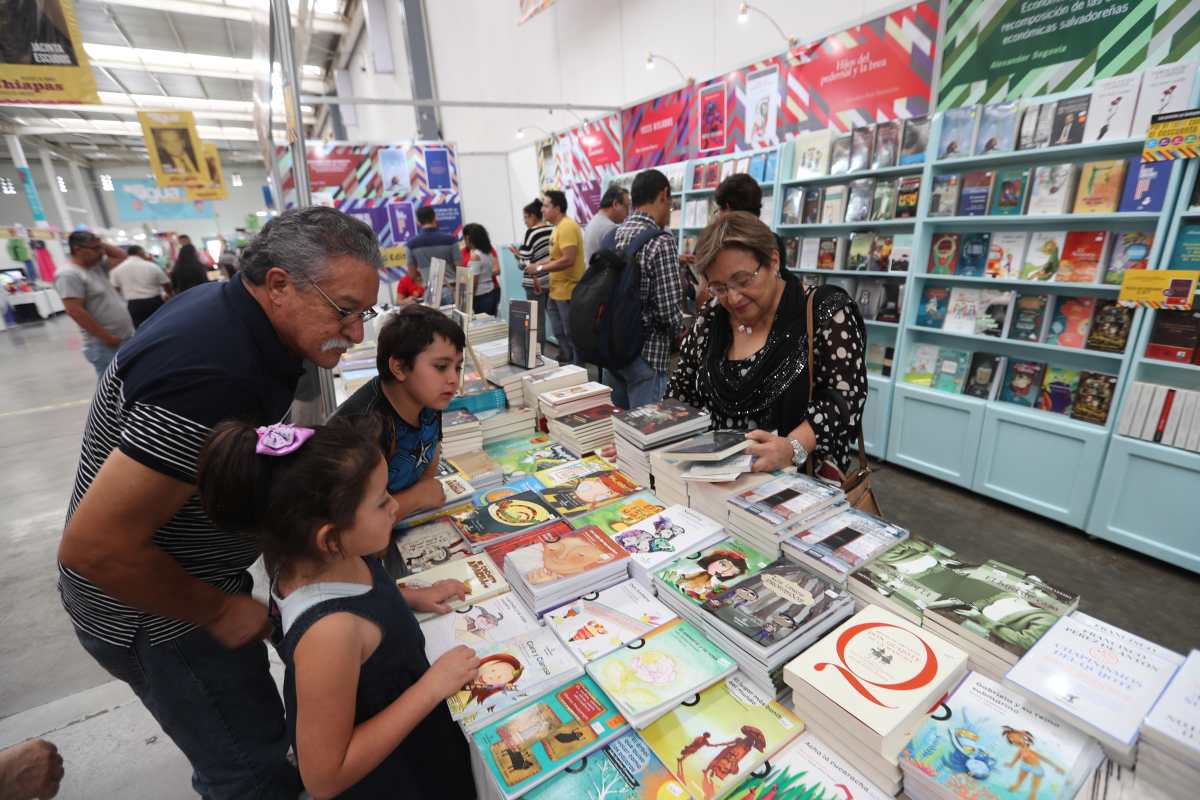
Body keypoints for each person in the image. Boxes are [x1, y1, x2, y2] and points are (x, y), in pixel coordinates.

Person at [56, 207, 382, 800]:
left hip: (194, 581)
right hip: (156, 611)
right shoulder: (212, 372)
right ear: (279, 284)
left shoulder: (233, 315)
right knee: (252, 770)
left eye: (366, 313)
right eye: (344, 310)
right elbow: (95, 547)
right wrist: (216, 609)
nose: (356, 333)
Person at [195, 417, 478, 799]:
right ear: (329, 538)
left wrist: (410, 597)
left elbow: (368, 598)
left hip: (419, 735)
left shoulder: (334, 556)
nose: (395, 505)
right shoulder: (327, 633)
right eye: (382, 501)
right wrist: (431, 688)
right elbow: (324, 777)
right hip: (397, 775)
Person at [667, 211, 867, 479]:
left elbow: (845, 397)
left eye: (743, 281)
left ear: (773, 261)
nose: (733, 298)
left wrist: (792, 447)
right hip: (716, 480)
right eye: (720, 288)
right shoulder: (712, 318)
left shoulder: (823, 312)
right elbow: (680, 393)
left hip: (796, 483)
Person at [332, 306, 464, 521]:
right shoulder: (363, 427)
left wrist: (422, 492)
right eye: (441, 367)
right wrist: (417, 497)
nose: (453, 379)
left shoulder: (428, 399)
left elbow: (430, 463)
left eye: (458, 367)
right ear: (399, 367)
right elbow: (354, 521)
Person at [606, 168, 686, 409]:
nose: (669, 210)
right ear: (663, 195)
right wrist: (681, 330)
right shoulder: (661, 241)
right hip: (647, 353)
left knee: (619, 422)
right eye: (670, 203)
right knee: (646, 428)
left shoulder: (613, 235)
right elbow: (667, 310)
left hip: (613, 346)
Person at [54, 231, 135, 377]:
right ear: (78, 249)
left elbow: (122, 256)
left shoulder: (96, 267)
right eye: (96, 249)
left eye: (101, 248)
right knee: (112, 386)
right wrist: (106, 337)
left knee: (129, 381)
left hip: (122, 337)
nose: (101, 252)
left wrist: (99, 243)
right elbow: (75, 310)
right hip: (105, 343)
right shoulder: (69, 274)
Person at [528, 190, 585, 365]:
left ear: (557, 208)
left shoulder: (567, 227)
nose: (542, 210)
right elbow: (555, 258)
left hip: (568, 290)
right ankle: (567, 360)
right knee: (559, 330)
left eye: (546, 206)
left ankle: (578, 367)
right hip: (556, 290)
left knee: (571, 332)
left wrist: (539, 267)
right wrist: (538, 267)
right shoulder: (557, 228)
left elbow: (568, 259)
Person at [404, 206, 459, 306]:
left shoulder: (411, 245)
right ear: (435, 218)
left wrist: (424, 281)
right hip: (451, 290)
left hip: (430, 292)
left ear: (418, 222)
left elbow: (412, 274)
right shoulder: (451, 240)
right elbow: (460, 267)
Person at [109, 244, 172, 328]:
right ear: (140, 252)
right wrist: (169, 294)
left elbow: (115, 289)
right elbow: (166, 283)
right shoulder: (152, 266)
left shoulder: (117, 269)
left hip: (133, 304)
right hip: (154, 302)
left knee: (140, 329)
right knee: (159, 326)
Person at [511, 199, 553, 307]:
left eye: (526, 217)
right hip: (550, 279)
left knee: (536, 316)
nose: (525, 221)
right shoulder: (552, 228)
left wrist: (517, 255)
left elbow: (523, 264)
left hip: (534, 283)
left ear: (533, 216)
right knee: (551, 313)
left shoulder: (531, 233)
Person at [583, 185, 629, 264]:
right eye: (626, 207)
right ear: (615, 204)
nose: (628, 213)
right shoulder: (610, 228)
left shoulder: (594, 221)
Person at [464, 224, 500, 316]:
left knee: (482, 322)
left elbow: (474, 281)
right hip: (491, 292)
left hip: (480, 295)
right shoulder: (488, 252)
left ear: (468, 238)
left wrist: (467, 299)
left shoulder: (475, 256)